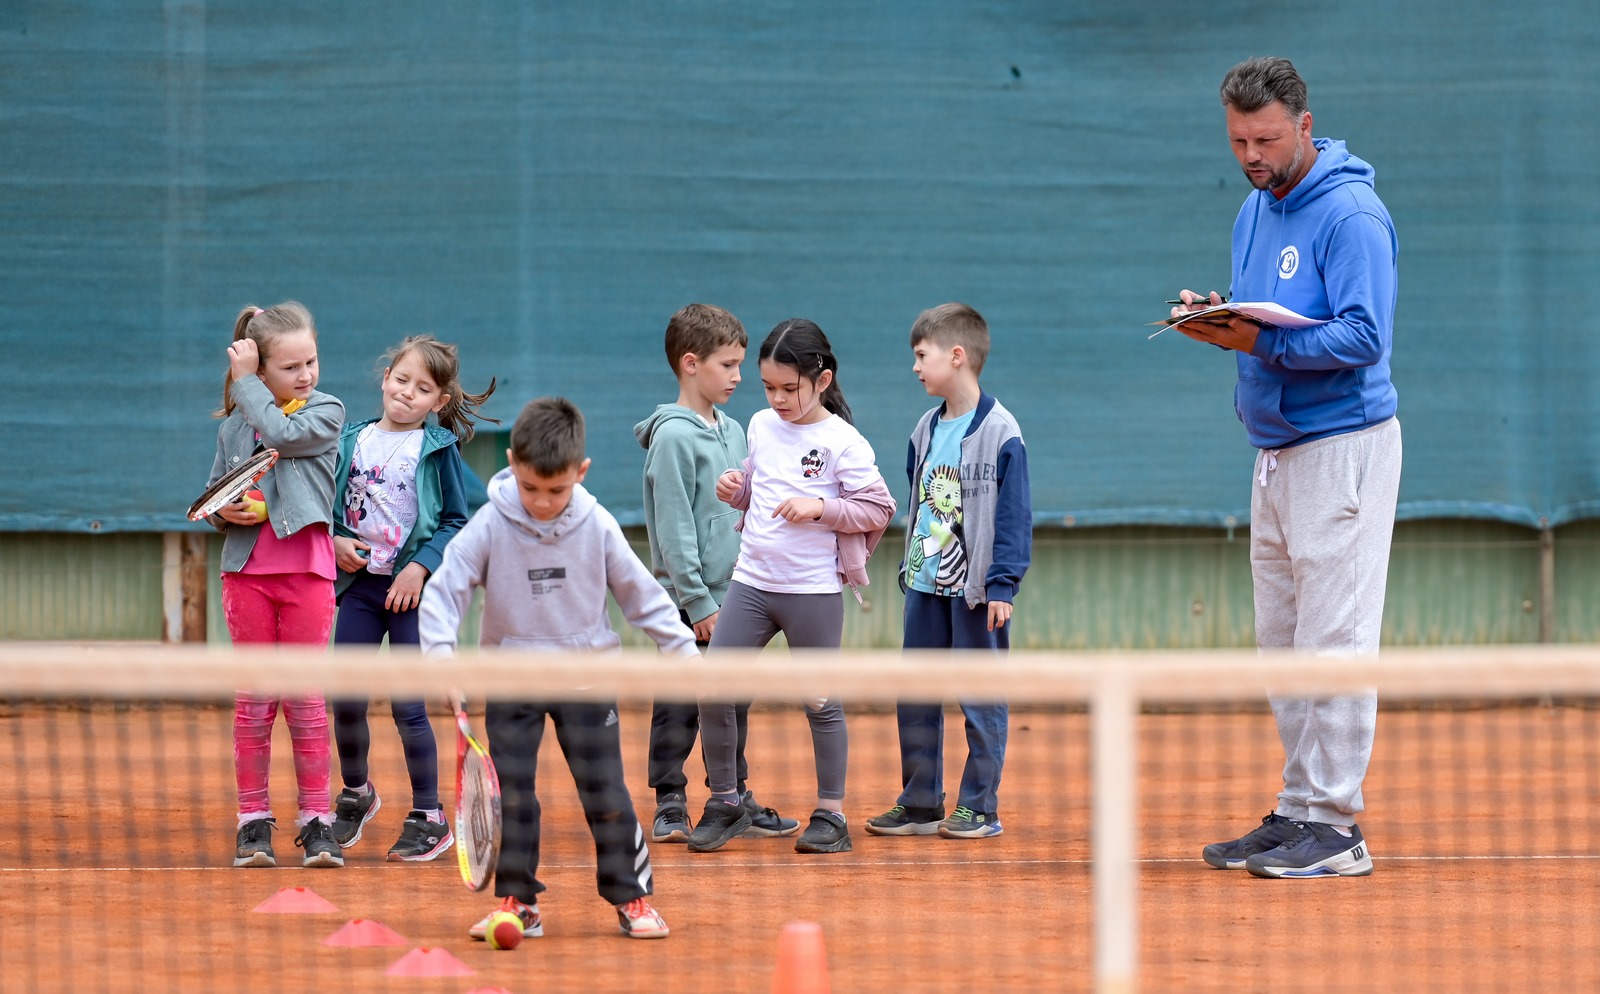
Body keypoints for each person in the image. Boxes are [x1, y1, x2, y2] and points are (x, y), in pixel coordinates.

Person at [1172, 56, 1400, 879]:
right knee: (1284, 644)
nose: (1251, 154)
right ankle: (1300, 806)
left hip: (1343, 449)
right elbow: (1257, 313)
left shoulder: (1353, 216)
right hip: (1273, 452)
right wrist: (1216, 319)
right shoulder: (1252, 208)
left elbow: (1365, 336)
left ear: (1304, 126)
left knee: (1334, 643)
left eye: (1266, 138)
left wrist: (1261, 339)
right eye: (1239, 140)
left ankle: (1336, 829)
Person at [419, 396, 685, 941]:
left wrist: (685, 655)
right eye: (531, 488)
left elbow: (643, 596)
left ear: (580, 473)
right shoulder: (491, 522)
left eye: (557, 490)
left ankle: (631, 899)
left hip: (586, 681)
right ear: (513, 462)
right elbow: (444, 592)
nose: (542, 502)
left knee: (606, 793)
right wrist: (440, 659)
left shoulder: (598, 524)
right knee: (513, 796)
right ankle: (518, 903)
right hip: (512, 682)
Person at [686, 319, 896, 856]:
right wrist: (736, 488)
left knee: (819, 700)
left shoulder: (843, 441)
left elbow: (878, 508)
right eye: (768, 387)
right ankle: (726, 803)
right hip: (752, 584)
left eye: (790, 388)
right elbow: (760, 488)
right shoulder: (759, 424)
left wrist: (821, 508)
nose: (777, 399)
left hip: (813, 591)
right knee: (715, 689)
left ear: (822, 380)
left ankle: (830, 815)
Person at [865, 303, 1031, 841]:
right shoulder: (922, 427)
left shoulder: (1003, 432)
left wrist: (1002, 583)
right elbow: (920, 500)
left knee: (980, 696)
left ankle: (979, 806)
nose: (915, 367)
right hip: (923, 585)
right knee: (915, 693)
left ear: (956, 356)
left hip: (977, 592)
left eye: (921, 355)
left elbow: (1013, 514)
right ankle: (920, 803)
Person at [634, 303, 799, 845]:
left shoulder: (732, 428)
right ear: (690, 364)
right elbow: (675, 527)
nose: (737, 376)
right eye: (727, 365)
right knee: (681, 703)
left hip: (738, 595)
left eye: (739, 365)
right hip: (691, 604)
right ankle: (670, 801)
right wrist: (698, 603)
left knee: (731, 701)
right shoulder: (672, 438)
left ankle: (733, 796)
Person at [328, 335, 497, 860]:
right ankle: (357, 792)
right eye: (401, 380)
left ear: (438, 402)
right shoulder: (348, 440)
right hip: (358, 590)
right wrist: (335, 539)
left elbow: (455, 521)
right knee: (346, 697)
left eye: (422, 388)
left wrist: (420, 569)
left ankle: (429, 814)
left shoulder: (439, 449)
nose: (407, 393)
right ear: (385, 379)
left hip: (410, 595)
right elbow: (328, 508)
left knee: (409, 707)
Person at [204, 301, 346, 869]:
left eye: (310, 361)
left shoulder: (327, 411)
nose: (306, 374)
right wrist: (228, 512)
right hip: (246, 578)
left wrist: (245, 387)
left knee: (306, 700)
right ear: (263, 371)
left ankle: (316, 822)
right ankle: (252, 823)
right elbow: (214, 493)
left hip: (309, 573)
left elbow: (282, 433)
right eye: (290, 368)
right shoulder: (235, 427)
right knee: (255, 702)